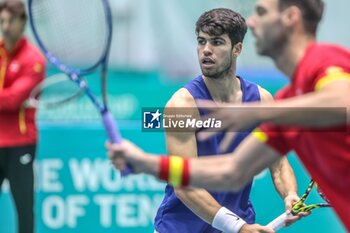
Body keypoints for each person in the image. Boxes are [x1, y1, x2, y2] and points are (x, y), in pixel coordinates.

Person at [106, 0, 350, 231]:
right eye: (201, 42)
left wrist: (262, 112)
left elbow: (343, 104)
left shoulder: (322, 62)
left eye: (262, 12)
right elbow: (230, 171)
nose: (252, 22)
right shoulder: (182, 104)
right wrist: (144, 162)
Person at [152, 8, 301, 233]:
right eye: (201, 42)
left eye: (217, 42)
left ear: (237, 49)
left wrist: (290, 194)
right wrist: (239, 227)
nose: (206, 51)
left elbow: (278, 164)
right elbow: (185, 186)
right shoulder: (181, 106)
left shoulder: (261, 100)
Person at [0, 1, 46, 233]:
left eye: (11, 21)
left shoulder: (34, 60)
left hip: (21, 144)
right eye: (2, 21)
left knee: (24, 208)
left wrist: (6, 96)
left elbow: (12, 100)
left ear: (23, 23)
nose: (6, 27)